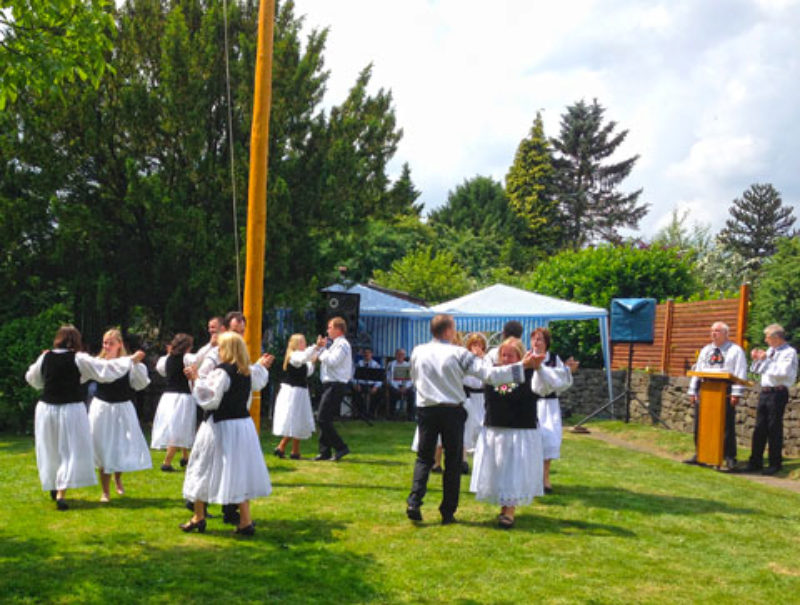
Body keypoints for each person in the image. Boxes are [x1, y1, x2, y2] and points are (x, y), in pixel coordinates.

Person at [406, 314, 544, 525]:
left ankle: (414, 501)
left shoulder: (418, 351)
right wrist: (522, 367)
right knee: (452, 462)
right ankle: (447, 511)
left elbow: (414, 377)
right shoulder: (459, 353)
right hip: (452, 409)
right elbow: (489, 375)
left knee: (424, 458)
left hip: (426, 408)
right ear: (449, 331)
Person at [25, 325, 145, 510]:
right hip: (70, 409)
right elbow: (105, 370)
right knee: (70, 450)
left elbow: (33, 379)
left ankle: (57, 486)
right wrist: (130, 360)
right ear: (75, 341)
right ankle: (60, 491)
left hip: (46, 409)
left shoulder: (45, 357)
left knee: (50, 449)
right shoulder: (78, 358)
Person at [181, 332, 273, 536]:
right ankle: (245, 521)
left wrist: (195, 379)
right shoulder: (247, 371)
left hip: (221, 426)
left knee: (201, 465)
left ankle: (198, 516)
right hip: (242, 426)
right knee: (237, 470)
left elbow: (210, 399)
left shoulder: (222, 372)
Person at [470, 338, 547, 528]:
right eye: (503, 355)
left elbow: (526, 392)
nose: (505, 359)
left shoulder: (531, 374)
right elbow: (496, 392)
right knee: (500, 469)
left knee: (514, 469)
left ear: (520, 357)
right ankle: (505, 506)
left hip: (520, 429)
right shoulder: (493, 373)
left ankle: (510, 510)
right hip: (496, 428)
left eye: (510, 355)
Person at [88, 329, 152, 502]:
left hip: (122, 408)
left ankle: (118, 478)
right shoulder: (98, 362)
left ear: (119, 345)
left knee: (119, 446)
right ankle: (105, 491)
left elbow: (140, 384)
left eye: (111, 343)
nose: (107, 346)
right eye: (105, 343)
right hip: (102, 408)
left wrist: (137, 364)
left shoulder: (129, 364)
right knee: (103, 447)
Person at [685, 322, 748, 470]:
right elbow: (698, 371)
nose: (714, 333)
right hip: (706, 389)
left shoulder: (735, 350)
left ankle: (729, 457)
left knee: (726, 424)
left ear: (726, 333)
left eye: (718, 331)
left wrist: (736, 393)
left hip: (724, 389)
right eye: (712, 331)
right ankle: (700, 453)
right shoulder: (706, 350)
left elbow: (740, 372)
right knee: (701, 423)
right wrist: (693, 391)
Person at [744, 324, 798, 475]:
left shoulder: (789, 352)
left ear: (776, 337)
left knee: (774, 427)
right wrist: (756, 360)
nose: (765, 340)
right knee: (759, 427)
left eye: (767, 337)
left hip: (778, 392)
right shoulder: (770, 351)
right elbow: (756, 371)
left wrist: (766, 360)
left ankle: (775, 463)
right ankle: (755, 461)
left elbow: (782, 373)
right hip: (765, 391)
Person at [530, 327, 577, 493]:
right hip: (532, 404)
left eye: (540, 339)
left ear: (546, 343)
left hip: (549, 405)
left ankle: (545, 478)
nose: (536, 342)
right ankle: (531, 478)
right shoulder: (527, 358)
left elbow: (561, 381)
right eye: (534, 339)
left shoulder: (553, 359)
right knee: (533, 440)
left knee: (549, 440)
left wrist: (561, 371)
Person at [152, 333, 196, 471]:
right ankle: (167, 462)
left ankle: (185, 457)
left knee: (178, 426)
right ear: (187, 346)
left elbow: (163, 372)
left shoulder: (165, 359)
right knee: (178, 428)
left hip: (168, 397)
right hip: (182, 397)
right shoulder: (187, 358)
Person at [272, 333, 318, 459]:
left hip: (300, 391)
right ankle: (290, 450)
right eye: (302, 341)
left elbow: (307, 371)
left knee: (299, 419)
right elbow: (302, 358)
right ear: (296, 344)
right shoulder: (294, 355)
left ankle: (288, 449)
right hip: (292, 392)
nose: (305, 343)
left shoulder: (299, 357)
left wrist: (312, 361)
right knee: (295, 419)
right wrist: (315, 347)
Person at [313, 317, 352, 461]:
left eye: (330, 327)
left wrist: (322, 350)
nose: (327, 330)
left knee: (322, 418)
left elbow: (332, 361)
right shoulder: (335, 344)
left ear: (338, 329)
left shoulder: (342, 345)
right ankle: (325, 451)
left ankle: (341, 447)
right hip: (330, 384)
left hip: (336, 384)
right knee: (325, 418)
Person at [463, 333, 488, 456]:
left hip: (482, 396)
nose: (477, 347)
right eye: (474, 344)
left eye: (479, 344)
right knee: (469, 424)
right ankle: (466, 452)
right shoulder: (466, 359)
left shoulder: (486, 359)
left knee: (482, 423)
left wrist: (482, 357)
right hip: (469, 395)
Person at [352, 347, 383, 418]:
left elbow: (380, 379)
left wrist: (376, 387)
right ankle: (361, 413)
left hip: (372, 385)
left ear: (371, 354)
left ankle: (371, 413)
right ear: (363, 354)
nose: (367, 354)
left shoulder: (376, 365)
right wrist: (355, 384)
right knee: (355, 393)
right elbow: (352, 376)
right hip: (360, 385)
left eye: (368, 353)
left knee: (380, 393)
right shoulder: (358, 364)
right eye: (365, 353)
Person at [386, 348, 414, 420]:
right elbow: (389, 378)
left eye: (402, 354)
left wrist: (405, 387)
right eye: (399, 354)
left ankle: (410, 415)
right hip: (394, 387)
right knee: (392, 392)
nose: (400, 356)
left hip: (405, 387)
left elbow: (411, 379)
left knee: (412, 393)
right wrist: (397, 388)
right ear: (396, 355)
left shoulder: (408, 365)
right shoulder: (391, 364)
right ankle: (391, 415)